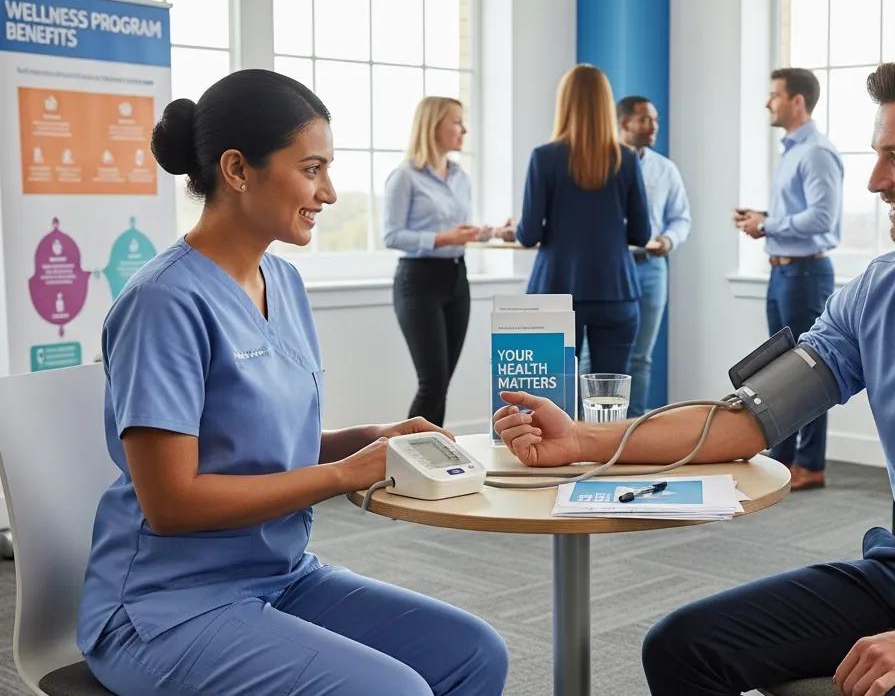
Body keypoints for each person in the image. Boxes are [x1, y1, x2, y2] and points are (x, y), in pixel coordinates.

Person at [495, 54, 895, 696]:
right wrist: (582, 440)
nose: (872, 182)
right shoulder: (876, 293)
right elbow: (748, 418)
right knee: (681, 647)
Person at [78, 70, 508, 695]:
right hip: (164, 608)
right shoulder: (162, 303)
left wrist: (365, 439)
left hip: (279, 575)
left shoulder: (284, 283)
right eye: (311, 169)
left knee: (475, 654)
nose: (329, 192)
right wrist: (342, 476)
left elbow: (263, 446)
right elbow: (171, 504)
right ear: (237, 169)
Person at [733, 68, 843, 491]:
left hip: (806, 273)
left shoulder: (816, 152)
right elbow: (795, 215)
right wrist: (762, 221)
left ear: (798, 101)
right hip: (783, 272)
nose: (767, 103)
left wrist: (768, 224)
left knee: (808, 369)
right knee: (780, 369)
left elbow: (821, 218)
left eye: (774, 95)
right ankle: (785, 457)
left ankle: (810, 465)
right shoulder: (791, 151)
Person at [515, 64, 650, 376]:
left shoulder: (544, 157)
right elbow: (642, 235)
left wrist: (517, 228)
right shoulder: (626, 158)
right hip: (616, 290)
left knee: (551, 400)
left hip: (555, 290)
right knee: (609, 400)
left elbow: (529, 233)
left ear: (564, 103)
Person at [383, 96, 486, 427]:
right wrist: (442, 238)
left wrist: (495, 232)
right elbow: (392, 235)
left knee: (442, 387)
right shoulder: (405, 177)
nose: (464, 129)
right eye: (457, 122)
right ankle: (406, 460)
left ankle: (433, 460)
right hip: (419, 281)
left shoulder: (461, 177)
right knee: (432, 384)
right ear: (434, 125)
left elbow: (462, 230)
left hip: (457, 279)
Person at [616, 94, 692, 417]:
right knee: (594, 355)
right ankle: (587, 430)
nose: (653, 126)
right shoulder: (607, 164)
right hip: (614, 267)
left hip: (652, 268)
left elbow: (681, 217)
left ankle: (632, 433)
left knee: (641, 356)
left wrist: (668, 240)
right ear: (624, 123)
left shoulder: (665, 169)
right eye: (645, 119)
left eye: (655, 120)